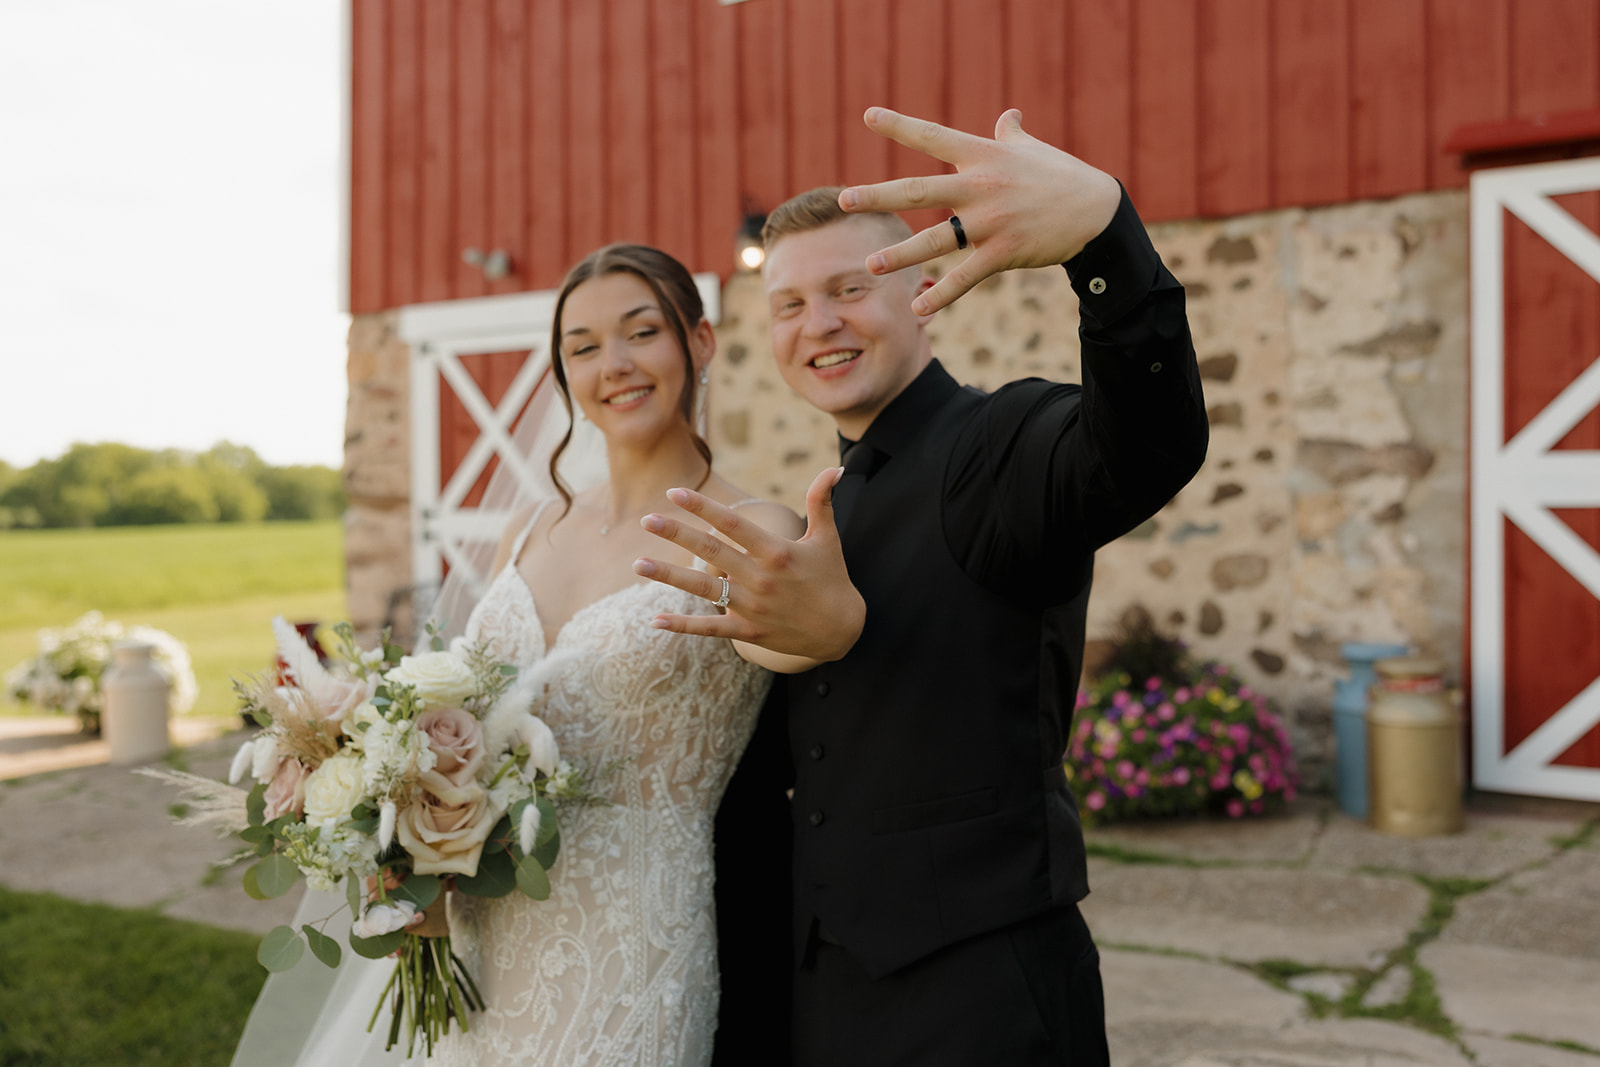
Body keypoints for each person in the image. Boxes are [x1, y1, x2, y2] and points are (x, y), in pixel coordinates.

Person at [637, 107, 1209, 1064]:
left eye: (850, 289)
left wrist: (1104, 243)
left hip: (981, 1001)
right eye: (788, 304)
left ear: (918, 294)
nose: (817, 324)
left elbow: (1144, 445)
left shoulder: (996, 444)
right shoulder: (826, 506)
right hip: (827, 1000)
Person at [232, 243, 807, 1067]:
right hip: (480, 922)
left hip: (633, 929)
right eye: (583, 346)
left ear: (701, 343)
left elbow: (809, 653)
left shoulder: (756, 534)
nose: (614, 364)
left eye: (641, 332)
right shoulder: (528, 528)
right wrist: (404, 835)